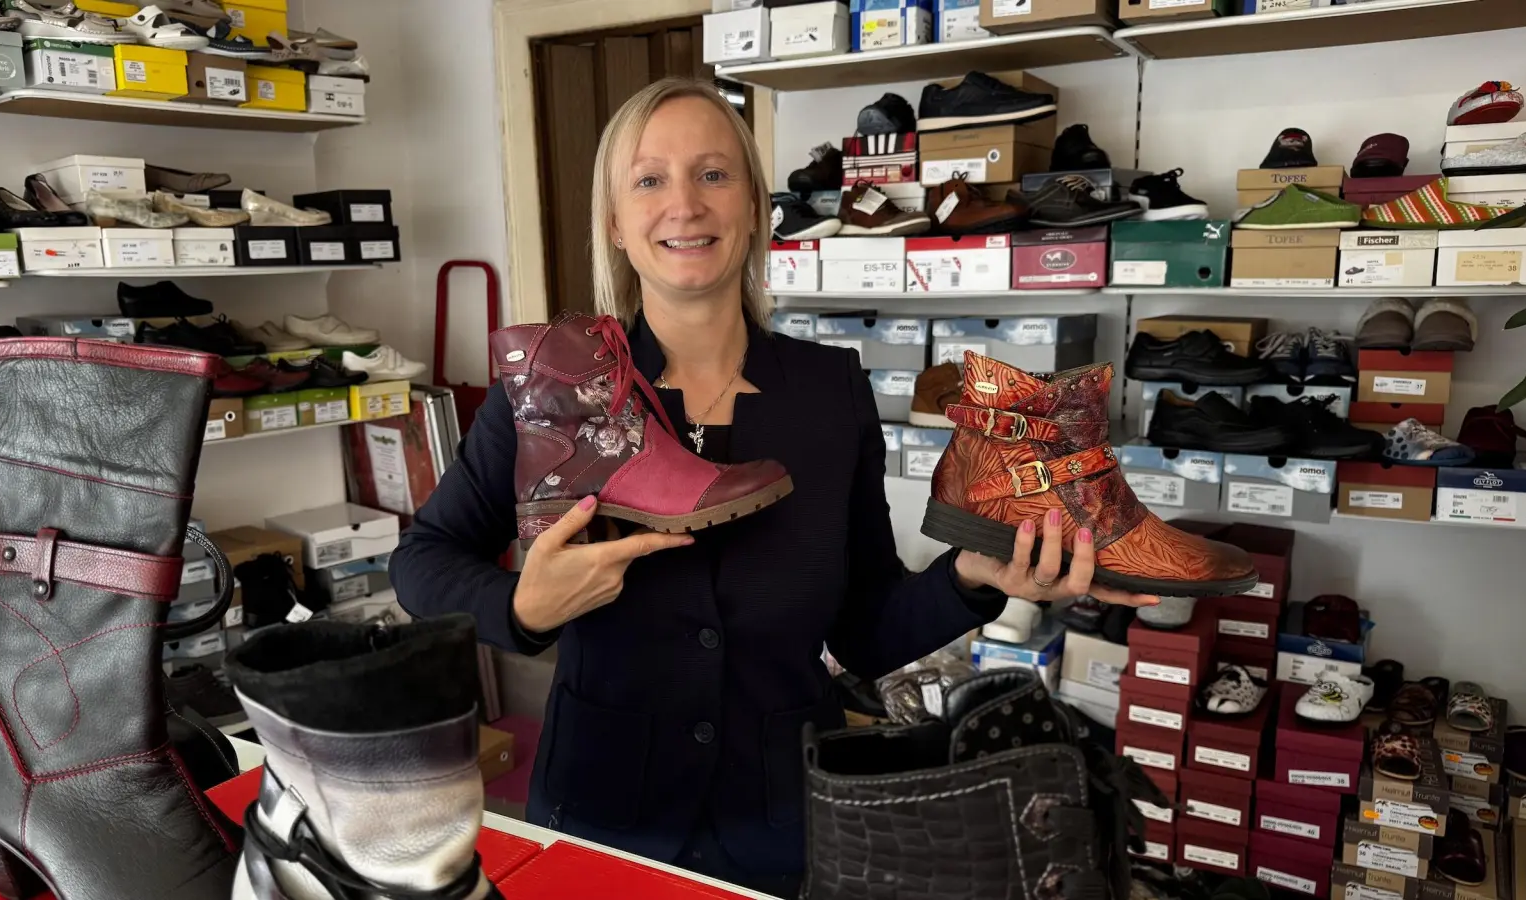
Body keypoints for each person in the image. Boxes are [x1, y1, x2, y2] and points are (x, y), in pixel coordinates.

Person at [390, 77, 1159, 895]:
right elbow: (422, 561)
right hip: (602, 811)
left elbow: (863, 628)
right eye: (649, 180)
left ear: (755, 207)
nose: (684, 205)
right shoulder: (556, 391)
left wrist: (971, 579)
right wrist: (522, 609)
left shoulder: (829, 392)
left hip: (788, 827)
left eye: (713, 174)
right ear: (614, 222)